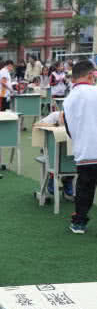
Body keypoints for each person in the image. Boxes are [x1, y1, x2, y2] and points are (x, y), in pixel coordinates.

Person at [61, 61, 97, 234]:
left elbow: (69, 129)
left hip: (84, 152)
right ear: (90, 75)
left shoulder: (68, 100)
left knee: (85, 188)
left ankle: (79, 223)